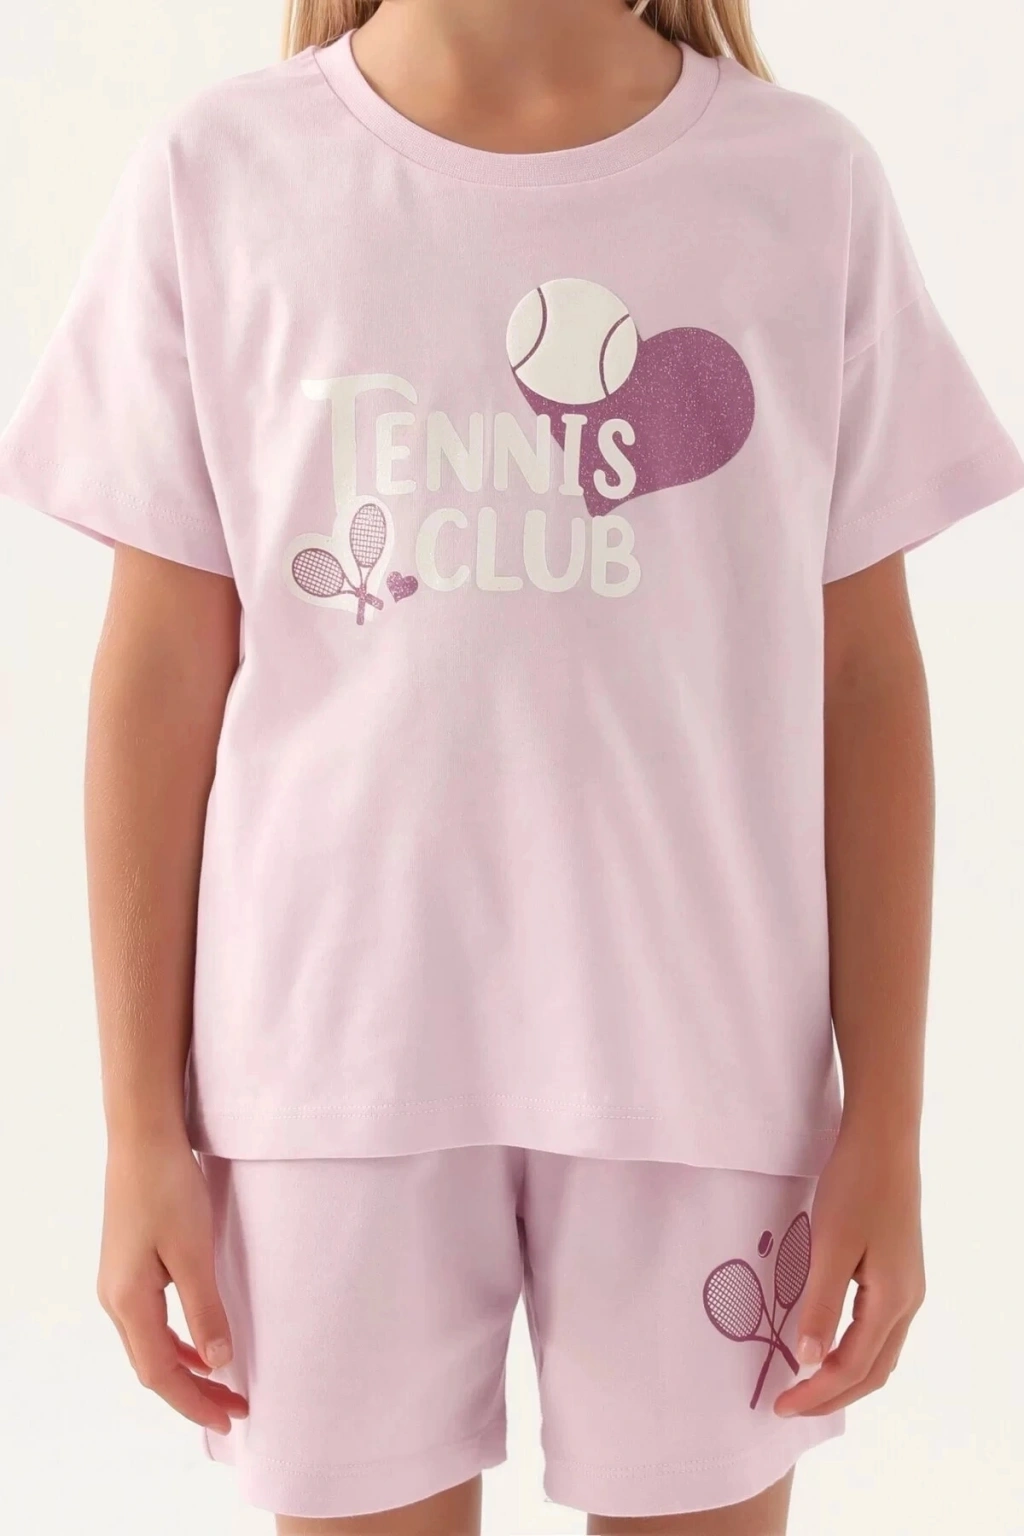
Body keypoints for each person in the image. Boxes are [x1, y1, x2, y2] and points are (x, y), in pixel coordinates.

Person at [1, 1, 1021, 1532]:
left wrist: (889, 1116)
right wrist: (138, 1126)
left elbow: (865, 680)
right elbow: (157, 681)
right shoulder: (221, 175)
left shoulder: (805, 186)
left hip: (707, 1074)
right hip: (325, 1074)